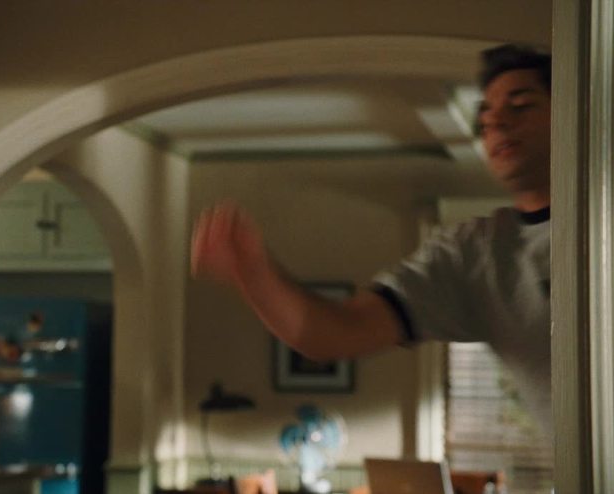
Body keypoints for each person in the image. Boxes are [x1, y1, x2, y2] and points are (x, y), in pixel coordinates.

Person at [191, 44, 552, 434]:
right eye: (486, 116)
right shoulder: (476, 253)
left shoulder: (606, 222)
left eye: (520, 105)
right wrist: (253, 271)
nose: (497, 122)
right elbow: (334, 333)